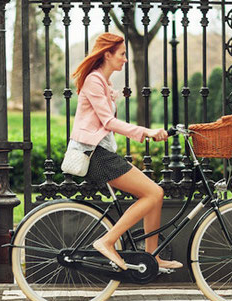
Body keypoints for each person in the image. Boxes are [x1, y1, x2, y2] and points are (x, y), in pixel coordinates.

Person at [69, 32, 182, 271]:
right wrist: (146, 132)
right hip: (95, 154)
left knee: (156, 194)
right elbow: (108, 122)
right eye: (122, 54)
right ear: (107, 54)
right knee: (152, 193)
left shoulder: (104, 82)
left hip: (103, 152)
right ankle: (107, 241)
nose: (125, 59)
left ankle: (153, 256)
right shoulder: (94, 80)